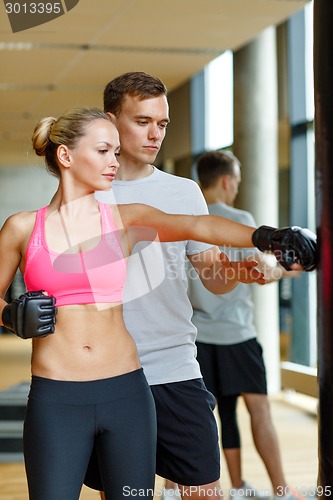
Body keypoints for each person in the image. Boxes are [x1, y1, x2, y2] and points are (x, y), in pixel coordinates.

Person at [0, 106, 294, 500]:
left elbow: (198, 225)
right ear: (66, 156)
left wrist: (267, 236)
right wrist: (10, 316)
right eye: (104, 151)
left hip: (127, 392)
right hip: (58, 395)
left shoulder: (124, 219)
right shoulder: (22, 227)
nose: (114, 162)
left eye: (116, 152)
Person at [83, 72, 316, 500]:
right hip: (107, 373)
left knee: (205, 490)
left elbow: (213, 276)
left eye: (163, 124)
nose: (155, 134)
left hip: (175, 365)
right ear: (111, 120)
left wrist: (250, 272)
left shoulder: (183, 192)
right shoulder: (85, 192)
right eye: (142, 121)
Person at [189, 149, 305, 500]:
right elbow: (262, 271)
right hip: (238, 335)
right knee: (260, 412)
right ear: (227, 181)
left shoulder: (185, 220)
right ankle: (281, 489)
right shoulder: (239, 220)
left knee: (205, 416)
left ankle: (215, 487)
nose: (236, 188)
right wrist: (292, 267)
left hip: (197, 338)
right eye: (236, 182)